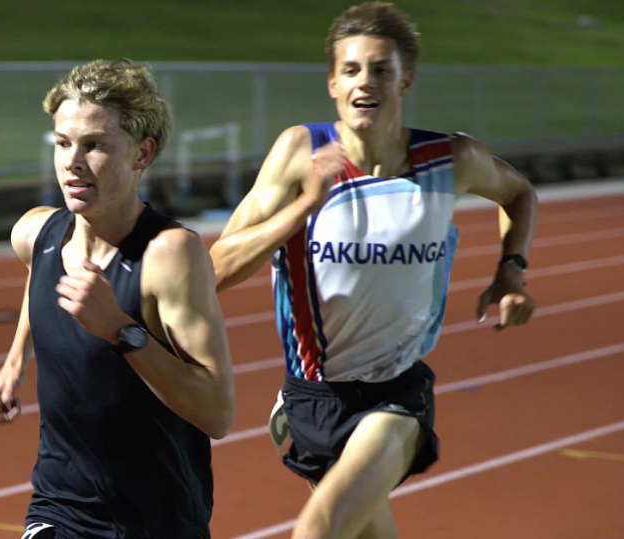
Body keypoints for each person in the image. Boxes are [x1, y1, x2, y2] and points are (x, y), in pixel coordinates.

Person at [209, 3, 538, 538]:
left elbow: (519, 193)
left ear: (405, 81)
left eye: (382, 69)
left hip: (395, 394)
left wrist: (511, 271)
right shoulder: (300, 152)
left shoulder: (449, 160)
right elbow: (217, 269)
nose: (368, 81)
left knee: (319, 528)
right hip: (313, 396)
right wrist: (301, 206)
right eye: (353, 69)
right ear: (333, 83)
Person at [0, 58, 236, 539]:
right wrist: (16, 358)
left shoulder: (169, 255)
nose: (72, 162)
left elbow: (218, 412)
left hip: (158, 520)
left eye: (94, 145)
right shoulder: (35, 233)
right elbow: (39, 276)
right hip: (60, 508)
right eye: (62, 143)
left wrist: (120, 330)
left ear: (142, 153)